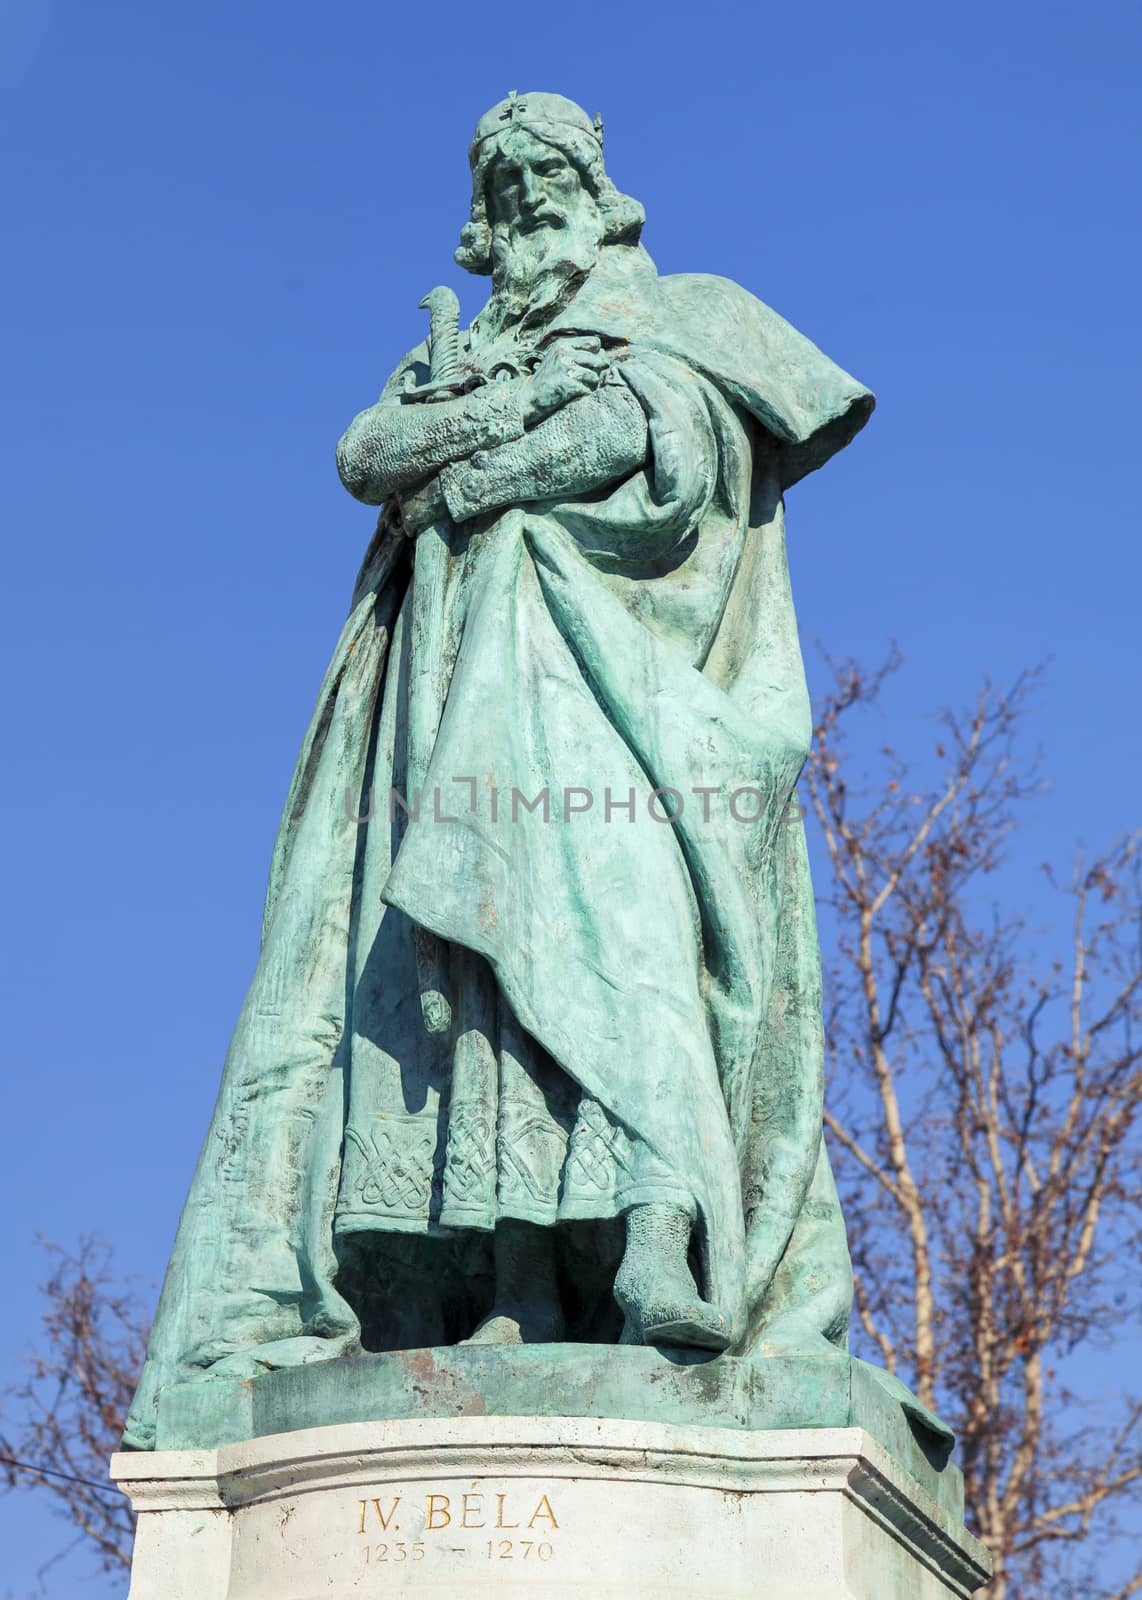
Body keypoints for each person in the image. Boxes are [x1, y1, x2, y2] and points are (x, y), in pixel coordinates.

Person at [123, 91, 873, 1451]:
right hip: (445, 713)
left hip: (618, 706)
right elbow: (366, 457)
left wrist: (478, 468)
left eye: (550, 174)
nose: (527, 199)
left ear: (599, 192)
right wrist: (483, 426)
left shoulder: (683, 315)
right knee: (470, 990)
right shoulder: (455, 353)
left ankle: (663, 1243)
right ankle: (511, 1283)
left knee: (626, 953)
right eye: (503, 182)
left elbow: (655, 449)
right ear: (484, 218)